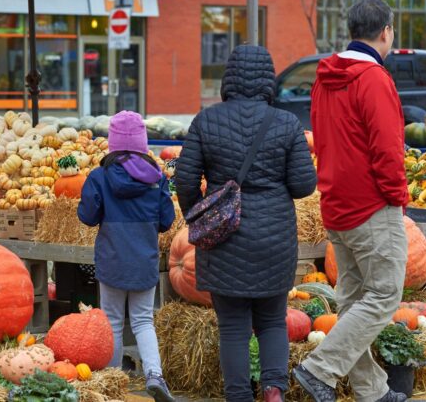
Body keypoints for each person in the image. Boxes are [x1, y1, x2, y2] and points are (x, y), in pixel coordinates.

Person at [175, 45, 317, 402]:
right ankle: (273, 391)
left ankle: (238, 395)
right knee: (272, 321)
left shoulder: (206, 120)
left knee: (233, 326)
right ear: (269, 79)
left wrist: (200, 212)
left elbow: (185, 179)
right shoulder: (285, 122)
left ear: (229, 78)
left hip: (224, 240)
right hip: (275, 239)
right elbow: (304, 185)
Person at [294, 0, 409, 402]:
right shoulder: (374, 80)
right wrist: (399, 198)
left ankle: (372, 390)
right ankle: (319, 368)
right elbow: (388, 150)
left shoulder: (324, 77)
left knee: (354, 300)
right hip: (372, 206)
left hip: (336, 205)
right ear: (386, 32)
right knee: (383, 295)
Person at [77, 110, 176, 402]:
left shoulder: (99, 176)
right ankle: (155, 375)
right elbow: (166, 221)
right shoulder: (156, 178)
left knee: (113, 322)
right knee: (144, 320)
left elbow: (88, 216)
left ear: (113, 143)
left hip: (112, 259)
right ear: (143, 144)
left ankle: (113, 379)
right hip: (144, 260)